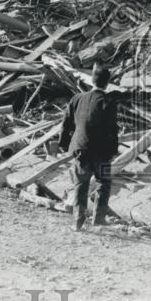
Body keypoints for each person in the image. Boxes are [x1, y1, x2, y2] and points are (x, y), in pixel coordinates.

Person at [59, 62, 119, 231]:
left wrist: (64, 144)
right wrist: (113, 150)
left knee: (81, 184)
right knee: (104, 183)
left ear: (92, 80)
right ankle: (98, 219)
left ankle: (77, 221)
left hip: (80, 149)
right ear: (107, 83)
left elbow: (66, 123)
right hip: (102, 152)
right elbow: (112, 129)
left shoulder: (77, 98)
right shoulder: (109, 101)